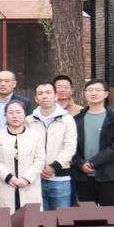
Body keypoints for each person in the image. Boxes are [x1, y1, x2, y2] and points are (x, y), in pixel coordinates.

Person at [25, 81, 77, 211]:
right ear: (36, 98)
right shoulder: (29, 121)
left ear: (56, 96)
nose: (44, 96)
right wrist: (36, 168)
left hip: (60, 179)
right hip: (35, 179)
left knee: (62, 218)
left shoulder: (67, 119)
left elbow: (70, 147)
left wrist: (54, 166)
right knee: (39, 219)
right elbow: (25, 147)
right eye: (40, 93)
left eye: (48, 92)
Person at [72, 79, 114, 206]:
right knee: (86, 215)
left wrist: (93, 163)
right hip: (83, 176)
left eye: (98, 90)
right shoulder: (76, 119)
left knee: (109, 214)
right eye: (90, 90)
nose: (93, 93)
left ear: (106, 94)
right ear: (85, 93)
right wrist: (81, 164)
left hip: (108, 176)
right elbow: (72, 146)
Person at [0, 100, 46, 212]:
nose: (15, 116)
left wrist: (26, 178)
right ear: (5, 115)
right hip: (6, 184)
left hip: (28, 185)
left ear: (25, 114)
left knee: (30, 218)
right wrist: (9, 177)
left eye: (18, 112)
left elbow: (39, 160)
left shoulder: (34, 136)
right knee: (7, 219)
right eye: (10, 112)